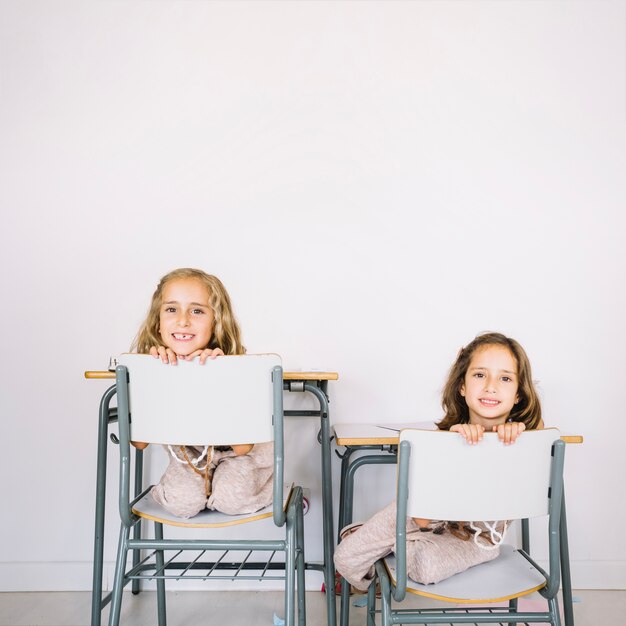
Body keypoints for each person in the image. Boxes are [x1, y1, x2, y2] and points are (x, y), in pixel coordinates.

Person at [334, 332, 544, 589]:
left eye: (505, 378)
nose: (491, 386)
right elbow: (422, 519)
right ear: (462, 386)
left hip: (476, 539)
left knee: (426, 565)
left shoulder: (525, 438)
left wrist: (518, 432)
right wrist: (451, 447)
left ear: (519, 393)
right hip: (419, 517)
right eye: (479, 374)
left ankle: (390, 547)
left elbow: (542, 434)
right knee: (344, 557)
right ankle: (383, 558)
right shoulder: (442, 437)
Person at [130, 268, 273, 518]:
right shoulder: (153, 366)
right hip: (192, 455)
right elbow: (138, 442)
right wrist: (153, 377)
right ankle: (200, 489)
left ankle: (275, 489)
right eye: (171, 309)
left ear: (216, 322)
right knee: (182, 505)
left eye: (197, 311)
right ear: (158, 322)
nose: (183, 320)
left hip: (242, 456)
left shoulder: (233, 368)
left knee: (231, 501)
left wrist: (216, 378)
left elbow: (241, 447)